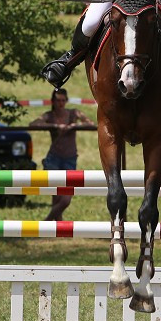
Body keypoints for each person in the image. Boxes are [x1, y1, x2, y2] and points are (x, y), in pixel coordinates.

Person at [29, 88, 94, 221]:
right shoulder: (49, 115)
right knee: (57, 196)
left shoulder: (73, 113)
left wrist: (74, 126)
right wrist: (53, 126)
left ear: (67, 101)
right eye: (58, 100)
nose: (61, 103)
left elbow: (91, 124)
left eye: (63, 100)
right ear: (53, 101)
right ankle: (57, 226)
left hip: (70, 159)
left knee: (65, 199)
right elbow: (33, 124)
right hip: (54, 158)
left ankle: (46, 223)